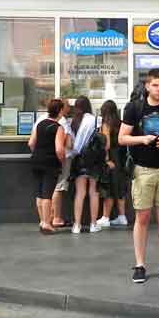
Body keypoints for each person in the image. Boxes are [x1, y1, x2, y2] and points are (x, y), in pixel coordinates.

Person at [119, 69, 159, 284]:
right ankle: (139, 264)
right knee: (142, 218)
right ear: (147, 86)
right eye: (155, 85)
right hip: (142, 169)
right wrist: (143, 139)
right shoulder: (134, 107)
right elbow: (122, 138)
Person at [27, 99, 67, 235]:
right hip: (50, 164)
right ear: (60, 111)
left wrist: (39, 153)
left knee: (39, 193)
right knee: (47, 194)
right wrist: (61, 160)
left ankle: (41, 220)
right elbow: (59, 149)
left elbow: (31, 143)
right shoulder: (58, 128)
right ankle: (46, 223)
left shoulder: (40, 124)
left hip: (36, 161)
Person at [68, 96, 103, 234]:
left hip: (78, 159)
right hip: (93, 159)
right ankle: (93, 224)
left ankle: (76, 225)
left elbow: (71, 144)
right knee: (93, 192)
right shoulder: (95, 120)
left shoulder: (73, 122)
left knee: (80, 193)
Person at [96, 100, 129, 229]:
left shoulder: (106, 124)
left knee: (108, 188)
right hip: (121, 158)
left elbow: (106, 144)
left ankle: (105, 217)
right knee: (120, 187)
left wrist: (106, 159)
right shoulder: (120, 123)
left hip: (112, 157)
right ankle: (122, 217)